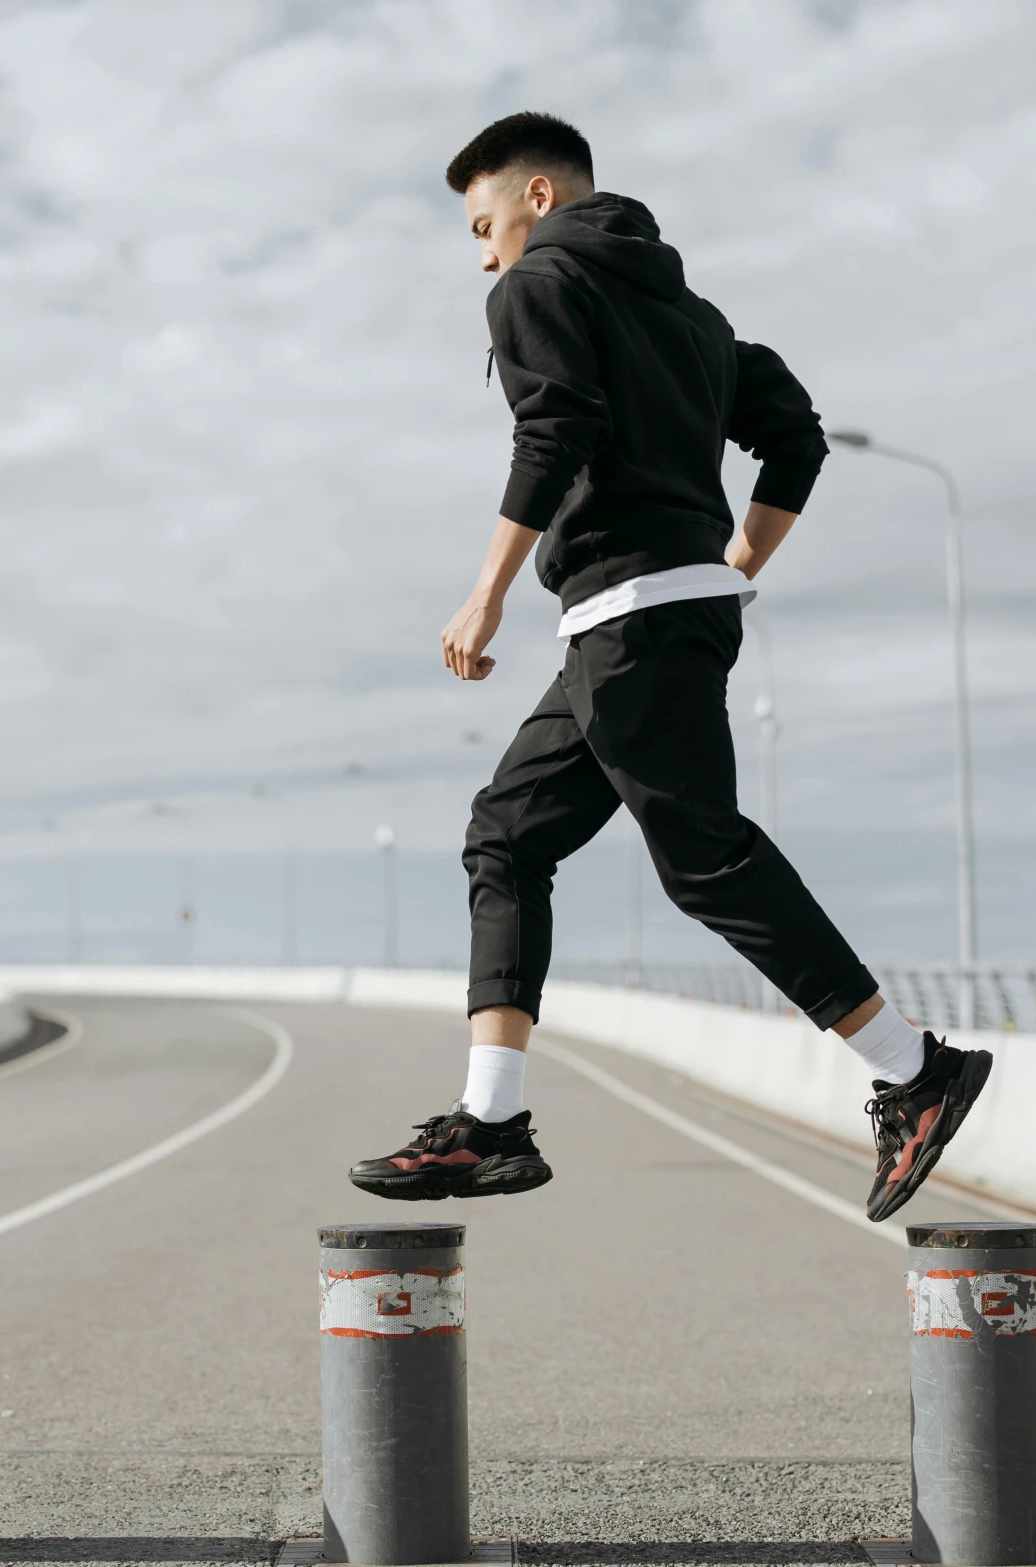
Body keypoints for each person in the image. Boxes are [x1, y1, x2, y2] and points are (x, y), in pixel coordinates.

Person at [348, 112, 990, 1222]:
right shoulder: (692, 317)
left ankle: (910, 1066)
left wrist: (486, 587)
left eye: (483, 223)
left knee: (703, 858)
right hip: (645, 613)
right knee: (505, 834)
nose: (484, 253)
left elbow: (551, 431)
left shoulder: (537, 287)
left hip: (631, 615)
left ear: (537, 198)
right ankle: (488, 1120)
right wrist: (736, 561)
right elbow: (793, 433)